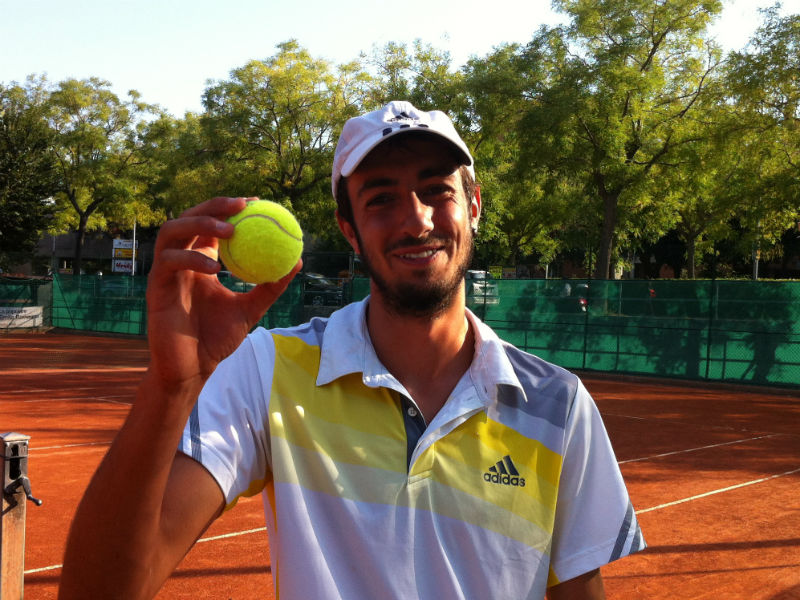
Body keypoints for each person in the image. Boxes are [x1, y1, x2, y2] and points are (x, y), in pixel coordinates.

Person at [60, 101, 645, 599]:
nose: (416, 220)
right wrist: (171, 385)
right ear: (349, 228)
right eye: (381, 199)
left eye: (436, 190)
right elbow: (102, 591)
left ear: (473, 205)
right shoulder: (267, 370)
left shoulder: (558, 404)